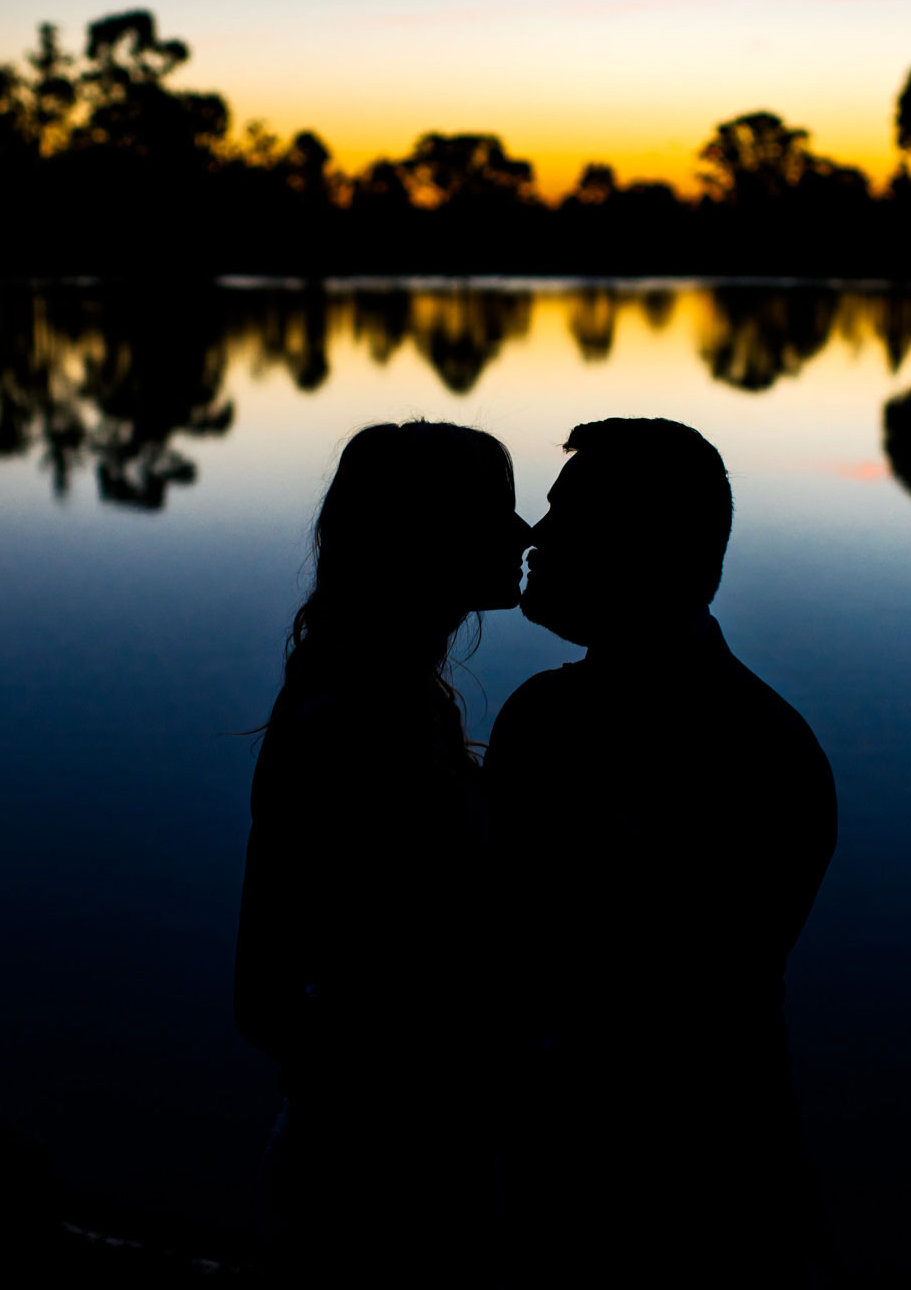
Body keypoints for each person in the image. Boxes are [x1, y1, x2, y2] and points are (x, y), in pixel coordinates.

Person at [485, 417, 838, 1285]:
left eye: (568, 517)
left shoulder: (757, 754)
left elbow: (673, 991)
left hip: (689, 1199)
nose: (536, 532)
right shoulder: (772, 739)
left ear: (643, 548)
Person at [234, 420, 530, 1285]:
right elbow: (264, 994)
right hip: (376, 1179)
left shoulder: (407, 708)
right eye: (495, 513)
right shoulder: (353, 727)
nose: (525, 535)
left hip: (390, 1151)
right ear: (423, 538)